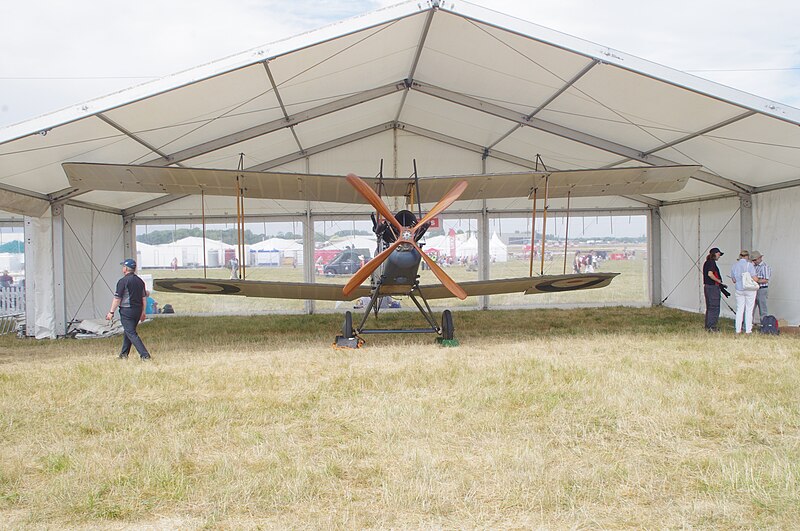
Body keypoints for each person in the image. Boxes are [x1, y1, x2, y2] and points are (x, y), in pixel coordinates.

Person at [106, 259, 151, 360]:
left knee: (131, 333)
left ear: (126, 268)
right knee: (128, 331)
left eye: (123, 266)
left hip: (127, 310)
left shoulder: (123, 281)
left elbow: (117, 299)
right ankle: (124, 354)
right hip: (138, 310)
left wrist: (111, 312)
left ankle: (145, 355)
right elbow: (143, 298)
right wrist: (143, 312)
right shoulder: (140, 281)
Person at [729, 250, 759, 335]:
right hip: (749, 289)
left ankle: (738, 330)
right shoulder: (749, 265)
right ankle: (748, 330)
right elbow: (755, 278)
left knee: (739, 310)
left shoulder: (734, 266)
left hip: (739, 290)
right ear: (747, 256)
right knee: (749, 310)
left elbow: (734, 280)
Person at [702, 247, 725, 332]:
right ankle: (712, 326)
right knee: (714, 307)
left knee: (710, 307)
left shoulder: (706, 262)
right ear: (714, 254)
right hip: (712, 287)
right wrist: (719, 281)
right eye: (719, 254)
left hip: (707, 287)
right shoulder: (712, 263)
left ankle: (708, 326)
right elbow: (710, 274)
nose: (719, 256)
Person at [751, 250, 771, 324]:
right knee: (751, 308)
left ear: (760, 258)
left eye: (755, 260)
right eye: (753, 260)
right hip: (754, 289)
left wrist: (755, 280)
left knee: (762, 309)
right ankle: (749, 324)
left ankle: (764, 325)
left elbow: (766, 280)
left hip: (762, 289)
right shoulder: (754, 267)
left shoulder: (765, 267)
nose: (754, 261)